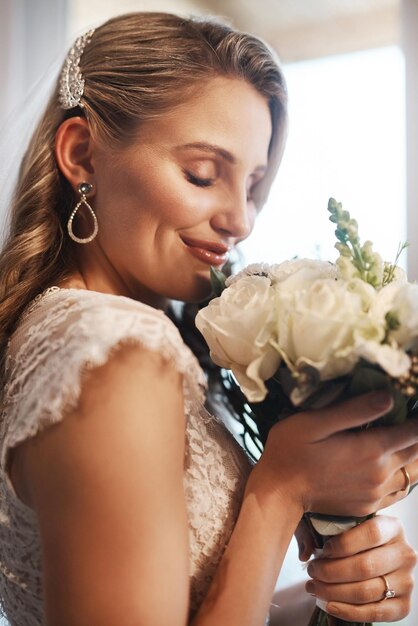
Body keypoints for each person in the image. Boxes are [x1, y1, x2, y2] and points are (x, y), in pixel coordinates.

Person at [0, 12, 417, 626]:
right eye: (202, 174)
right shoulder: (117, 353)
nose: (241, 222)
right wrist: (280, 492)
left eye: (252, 186)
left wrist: (330, 601)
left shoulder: (57, 337)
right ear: (82, 153)